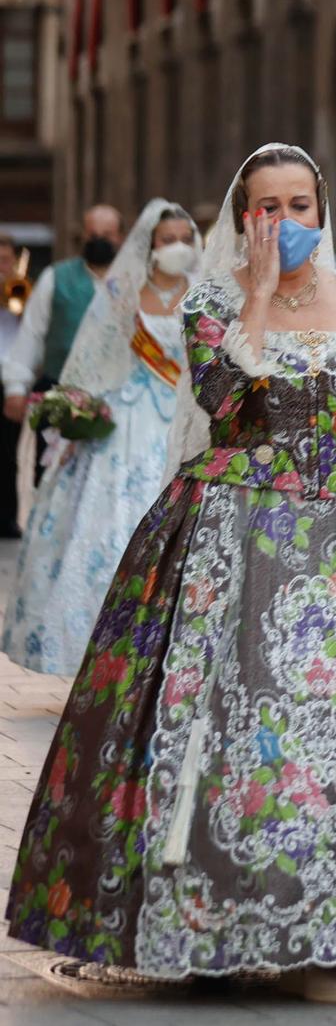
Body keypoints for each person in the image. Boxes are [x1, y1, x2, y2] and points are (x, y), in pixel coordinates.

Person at [5, 145, 336, 1001]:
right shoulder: (215, 303)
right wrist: (262, 298)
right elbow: (225, 406)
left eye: (299, 204)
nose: (284, 221)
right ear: (245, 217)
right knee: (236, 717)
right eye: (266, 207)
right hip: (239, 524)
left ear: (323, 205)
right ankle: (228, 922)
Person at [0, 201, 199, 676]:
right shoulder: (125, 291)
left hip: (182, 421)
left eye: (183, 240)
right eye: (166, 239)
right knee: (105, 529)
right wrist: (76, 409)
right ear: (149, 244)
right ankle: (100, 650)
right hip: (125, 423)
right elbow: (94, 357)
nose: (175, 248)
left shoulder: (204, 294)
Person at [2, 204, 124, 426]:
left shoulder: (135, 282)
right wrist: (15, 387)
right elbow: (32, 333)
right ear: (83, 236)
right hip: (61, 396)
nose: (99, 240)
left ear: (121, 238)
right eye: (93, 234)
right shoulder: (55, 277)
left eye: (107, 235)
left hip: (121, 399)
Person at [0, 233, 25, 538]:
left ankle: (6, 517)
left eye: (6, 260)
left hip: (11, 378)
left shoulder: (22, 289)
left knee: (9, 453)